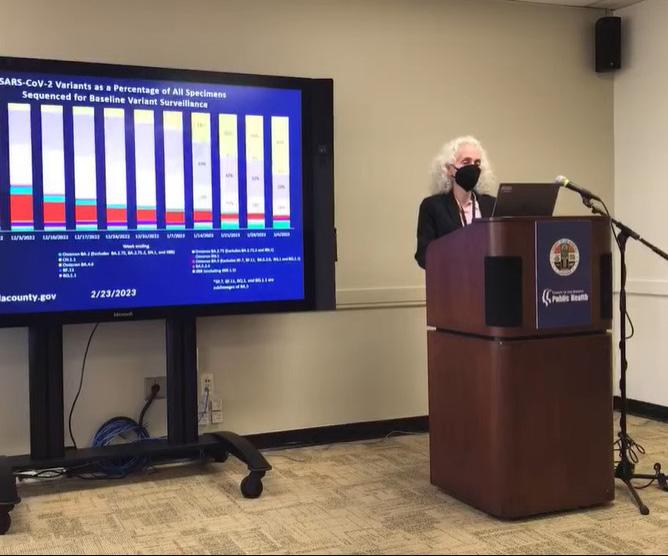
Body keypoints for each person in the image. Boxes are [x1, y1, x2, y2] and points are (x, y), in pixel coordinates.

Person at [414, 135, 497, 269]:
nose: (473, 167)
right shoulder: (432, 207)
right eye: (466, 162)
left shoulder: (493, 205)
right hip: (451, 279)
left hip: (488, 279)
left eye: (477, 163)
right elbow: (424, 256)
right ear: (449, 169)